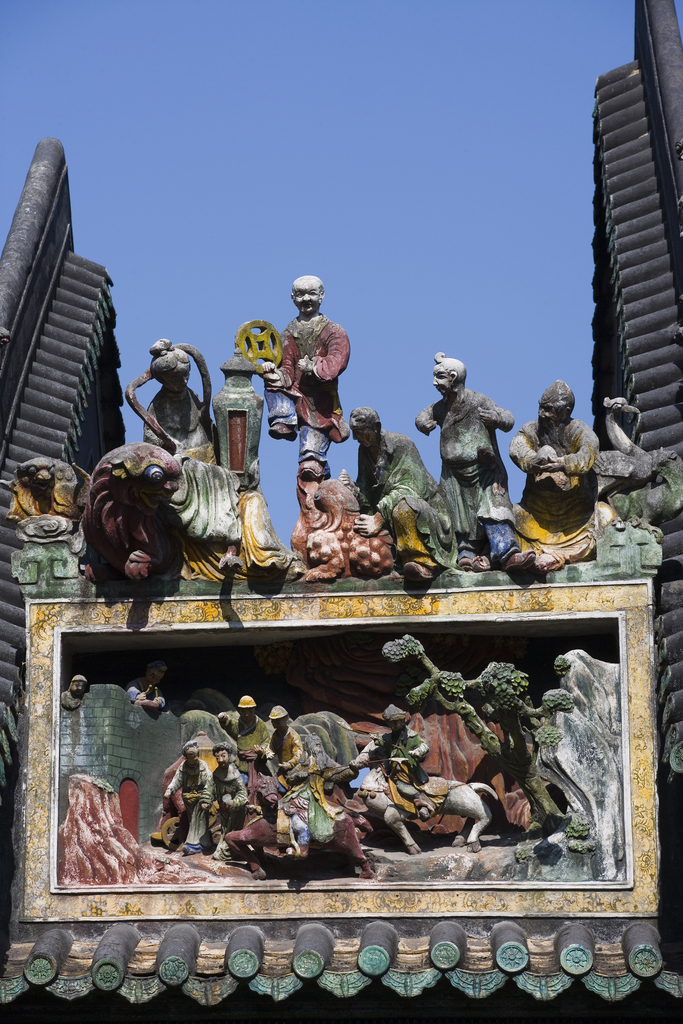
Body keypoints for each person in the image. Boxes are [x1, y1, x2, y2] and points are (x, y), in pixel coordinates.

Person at [416, 353, 536, 572]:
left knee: (494, 509)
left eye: (440, 377)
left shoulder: (478, 401)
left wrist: (497, 419)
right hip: (453, 472)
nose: (435, 383)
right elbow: (421, 418)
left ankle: (507, 553)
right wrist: (423, 423)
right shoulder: (441, 407)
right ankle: (466, 553)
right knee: (459, 514)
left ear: (453, 377)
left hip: (484, 469)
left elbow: (507, 418)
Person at [344, 406, 456, 582]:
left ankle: (420, 561)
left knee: (403, 508)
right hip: (390, 521)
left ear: (376, 427)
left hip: (427, 517)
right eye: (353, 431)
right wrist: (354, 490)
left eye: (359, 431)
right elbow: (367, 491)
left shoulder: (403, 444)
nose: (354, 437)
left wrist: (379, 518)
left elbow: (410, 488)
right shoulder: (363, 451)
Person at [509, 380, 611, 572]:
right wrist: (535, 459)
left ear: (564, 411)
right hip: (536, 514)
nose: (541, 413)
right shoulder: (532, 429)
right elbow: (517, 447)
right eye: (540, 406)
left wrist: (564, 463)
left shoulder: (578, 430)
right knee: (508, 517)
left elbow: (589, 452)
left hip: (576, 518)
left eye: (548, 409)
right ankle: (530, 556)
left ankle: (558, 557)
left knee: (604, 519)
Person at [261, 276, 350, 480]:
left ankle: (321, 497)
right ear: (293, 298)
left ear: (321, 296)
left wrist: (314, 367)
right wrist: (274, 372)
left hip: (321, 405)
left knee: (310, 464)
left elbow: (338, 359)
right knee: (271, 384)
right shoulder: (288, 333)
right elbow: (287, 368)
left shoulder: (333, 331)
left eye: (311, 293)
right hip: (296, 394)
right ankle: (284, 420)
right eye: (300, 294)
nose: (306, 299)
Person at [351, 704, 436, 818]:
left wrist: (418, 752)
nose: (394, 725)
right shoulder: (390, 737)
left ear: (402, 721)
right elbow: (382, 741)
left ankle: (423, 804)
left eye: (396, 722)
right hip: (394, 769)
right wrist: (376, 738)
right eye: (391, 723)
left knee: (402, 786)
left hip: (407, 769)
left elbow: (424, 745)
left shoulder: (412, 736)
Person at [163, 739, 213, 855]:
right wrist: (170, 790)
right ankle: (197, 843)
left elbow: (209, 782)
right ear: (186, 756)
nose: (195, 758)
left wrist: (206, 798)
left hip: (201, 798)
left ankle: (196, 843)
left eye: (196, 755)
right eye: (191, 755)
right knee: (193, 820)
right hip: (189, 799)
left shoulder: (203, 766)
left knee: (200, 820)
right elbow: (177, 781)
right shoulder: (183, 767)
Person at [200, 742, 248, 863]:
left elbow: (243, 793)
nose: (221, 760)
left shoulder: (235, 774)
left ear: (229, 755)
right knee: (226, 831)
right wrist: (206, 800)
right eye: (218, 757)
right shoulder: (215, 775)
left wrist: (235, 802)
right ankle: (229, 851)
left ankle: (235, 852)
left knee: (234, 833)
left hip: (237, 812)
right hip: (224, 810)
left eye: (223, 756)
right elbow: (209, 788)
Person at [217, 695, 271, 782]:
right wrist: (224, 720)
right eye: (243, 711)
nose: (247, 714)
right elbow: (231, 728)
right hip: (241, 763)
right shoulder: (238, 723)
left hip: (257, 764)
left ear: (253, 710)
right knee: (240, 781)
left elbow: (266, 740)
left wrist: (261, 750)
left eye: (250, 711)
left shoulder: (260, 724)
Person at [265, 706, 304, 791]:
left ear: (286, 719)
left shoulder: (293, 736)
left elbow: (299, 753)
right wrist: (269, 752)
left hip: (294, 770)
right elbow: (271, 746)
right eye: (273, 722)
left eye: (278, 721)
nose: (276, 724)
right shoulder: (276, 735)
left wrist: (290, 764)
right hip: (282, 770)